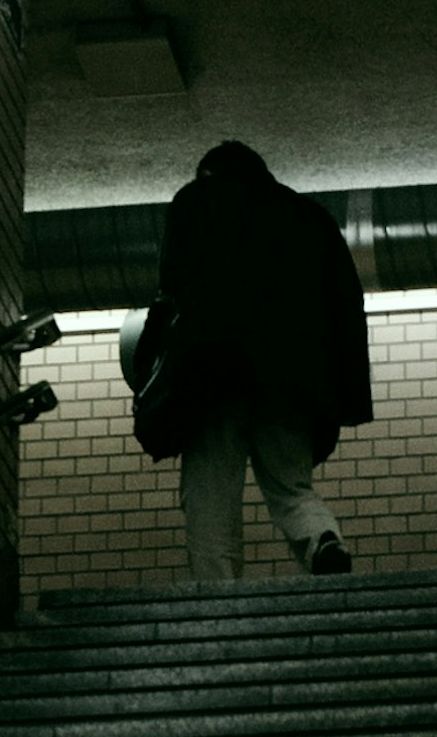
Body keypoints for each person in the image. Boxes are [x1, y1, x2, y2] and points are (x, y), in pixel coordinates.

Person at [125, 138, 370, 585]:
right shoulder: (311, 218)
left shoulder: (197, 202)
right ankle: (322, 541)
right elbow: (346, 308)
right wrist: (340, 393)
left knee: (210, 494)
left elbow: (171, 290)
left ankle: (217, 593)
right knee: (292, 487)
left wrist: (150, 361)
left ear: (209, 175)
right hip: (294, 380)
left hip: (213, 373)